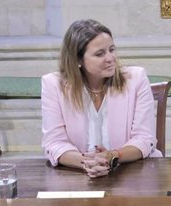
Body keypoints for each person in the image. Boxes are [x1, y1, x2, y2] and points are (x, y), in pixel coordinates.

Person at [41, 19, 161, 178]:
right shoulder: (53, 85)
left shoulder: (136, 79)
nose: (110, 58)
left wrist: (112, 156)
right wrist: (87, 163)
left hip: (132, 173)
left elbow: (145, 139)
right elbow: (54, 143)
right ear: (78, 60)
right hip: (77, 175)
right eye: (100, 54)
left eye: (112, 50)